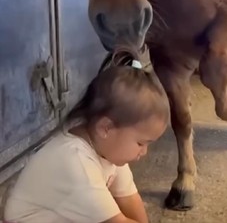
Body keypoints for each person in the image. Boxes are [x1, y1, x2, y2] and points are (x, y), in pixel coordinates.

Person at [3, 49, 170, 223]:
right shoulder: (75, 163)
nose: (144, 152)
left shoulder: (109, 151)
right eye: (141, 143)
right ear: (105, 128)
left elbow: (129, 198)